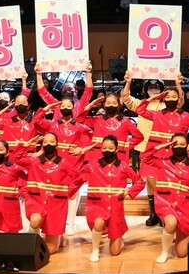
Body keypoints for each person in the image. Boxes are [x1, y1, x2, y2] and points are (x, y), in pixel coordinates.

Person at [121, 71, 185, 226]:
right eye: (150, 87)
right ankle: (153, 213)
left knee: (163, 180)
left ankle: (165, 212)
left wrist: (178, 85)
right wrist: (128, 82)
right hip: (146, 147)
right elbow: (126, 99)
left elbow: (180, 101)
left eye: (156, 87)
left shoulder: (166, 105)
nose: (153, 89)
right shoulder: (142, 103)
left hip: (164, 149)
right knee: (149, 180)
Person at [143, 132, 189, 263]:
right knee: (171, 223)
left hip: (186, 207)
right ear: (171, 146)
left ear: (187, 146)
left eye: (182, 144)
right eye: (176, 144)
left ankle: (179, 236)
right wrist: (161, 146)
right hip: (166, 203)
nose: (179, 147)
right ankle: (165, 252)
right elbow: (144, 157)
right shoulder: (163, 162)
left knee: (182, 253)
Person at [78, 135, 145, 261]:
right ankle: (95, 250)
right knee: (98, 222)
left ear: (116, 149)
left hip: (115, 208)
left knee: (115, 252)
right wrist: (81, 153)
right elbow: (76, 172)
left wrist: (128, 192)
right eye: (104, 148)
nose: (107, 150)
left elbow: (140, 182)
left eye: (110, 148)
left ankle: (119, 239)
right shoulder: (93, 165)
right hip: (97, 205)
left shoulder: (123, 166)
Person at [18, 132, 87, 254]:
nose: (48, 144)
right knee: (35, 220)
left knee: (50, 250)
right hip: (37, 202)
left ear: (57, 145)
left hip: (56, 206)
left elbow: (78, 179)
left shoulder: (64, 163)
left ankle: (58, 236)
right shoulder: (34, 161)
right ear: (42, 145)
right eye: (45, 142)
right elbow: (15, 159)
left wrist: (66, 193)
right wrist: (25, 145)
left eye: (51, 142)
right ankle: (32, 246)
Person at [33, 96, 93, 235]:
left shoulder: (79, 126)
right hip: (55, 162)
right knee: (55, 192)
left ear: (73, 108)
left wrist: (82, 148)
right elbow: (36, 120)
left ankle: (70, 223)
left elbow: (94, 136)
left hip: (73, 162)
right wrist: (47, 108)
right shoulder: (53, 124)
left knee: (72, 193)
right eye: (63, 106)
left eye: (68, 106)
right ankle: (54, 220)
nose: (65, 108)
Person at [80, 92, 144, 165]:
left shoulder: (125, 121)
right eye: (108, 103)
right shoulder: (97, 120)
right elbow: (80, 120)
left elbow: (139, 137)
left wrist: (126, 147)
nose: (111, 105)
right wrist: (90, 105)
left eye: (114, 103)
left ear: (118, 105)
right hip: (98, 155)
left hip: (119, 156)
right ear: (104, 105)